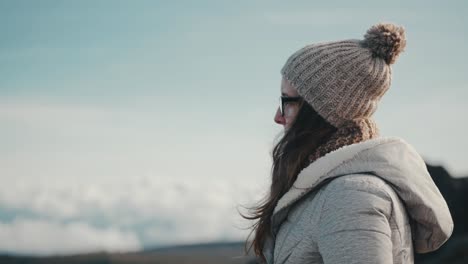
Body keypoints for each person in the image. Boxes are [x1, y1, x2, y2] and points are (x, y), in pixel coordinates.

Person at [244, 23, 454, 264]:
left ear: (322, 111)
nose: (278, 117)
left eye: (287, 101)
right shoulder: (328, 190)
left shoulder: (349, 197)